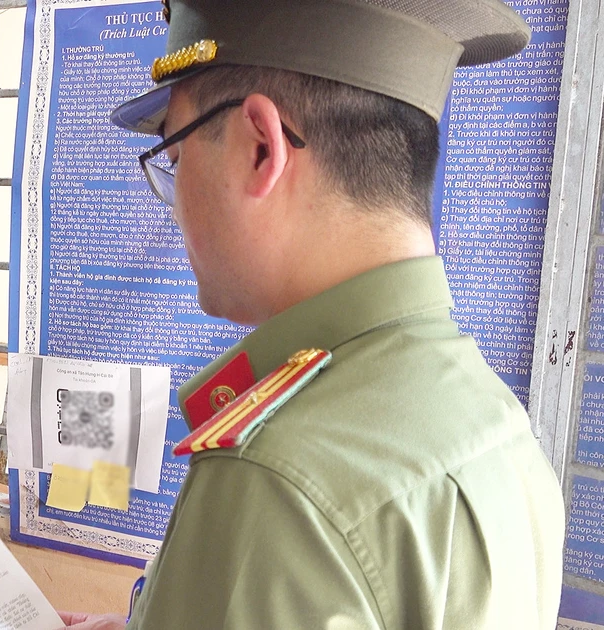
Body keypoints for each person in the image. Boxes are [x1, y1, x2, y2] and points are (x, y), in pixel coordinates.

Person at [64, 0, 565, 627]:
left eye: (175, 159)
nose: (174, 205)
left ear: (258, 149)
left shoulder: (279, 475)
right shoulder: (493, 420)